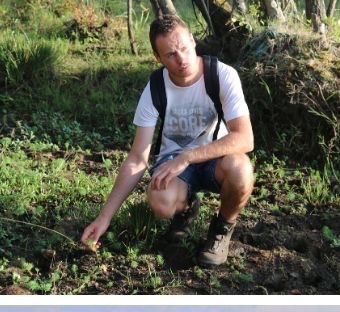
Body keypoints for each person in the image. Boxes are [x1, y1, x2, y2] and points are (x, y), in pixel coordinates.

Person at [81, 14, 255, 267]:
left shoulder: (222, 75)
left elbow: (245, 138)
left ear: (193, 41)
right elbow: (137, 157)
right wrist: (104, 217)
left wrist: (188, 157)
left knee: (241, 170)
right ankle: (185, 210)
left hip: (215, 160)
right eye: (171, 54)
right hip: (173, 163)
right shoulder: (154, 88)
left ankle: (221, 229)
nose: (181, 59)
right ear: (158, 58)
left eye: (184, 48)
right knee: (160, 201)